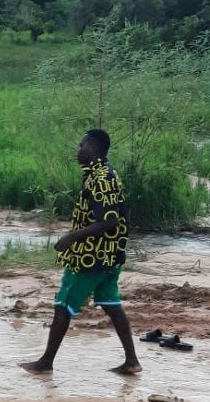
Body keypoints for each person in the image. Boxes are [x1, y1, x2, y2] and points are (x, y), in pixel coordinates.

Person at [21, 129, 140, 376]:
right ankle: (131, 361)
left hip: (92, 257)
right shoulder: (103, 173)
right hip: (109, 255)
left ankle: (45, 362)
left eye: (82, 146)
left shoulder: (101, 178)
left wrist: (70, 237)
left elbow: (109, 221)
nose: (78, 151)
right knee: (112, 304)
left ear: (94, 149)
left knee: (63, 304)